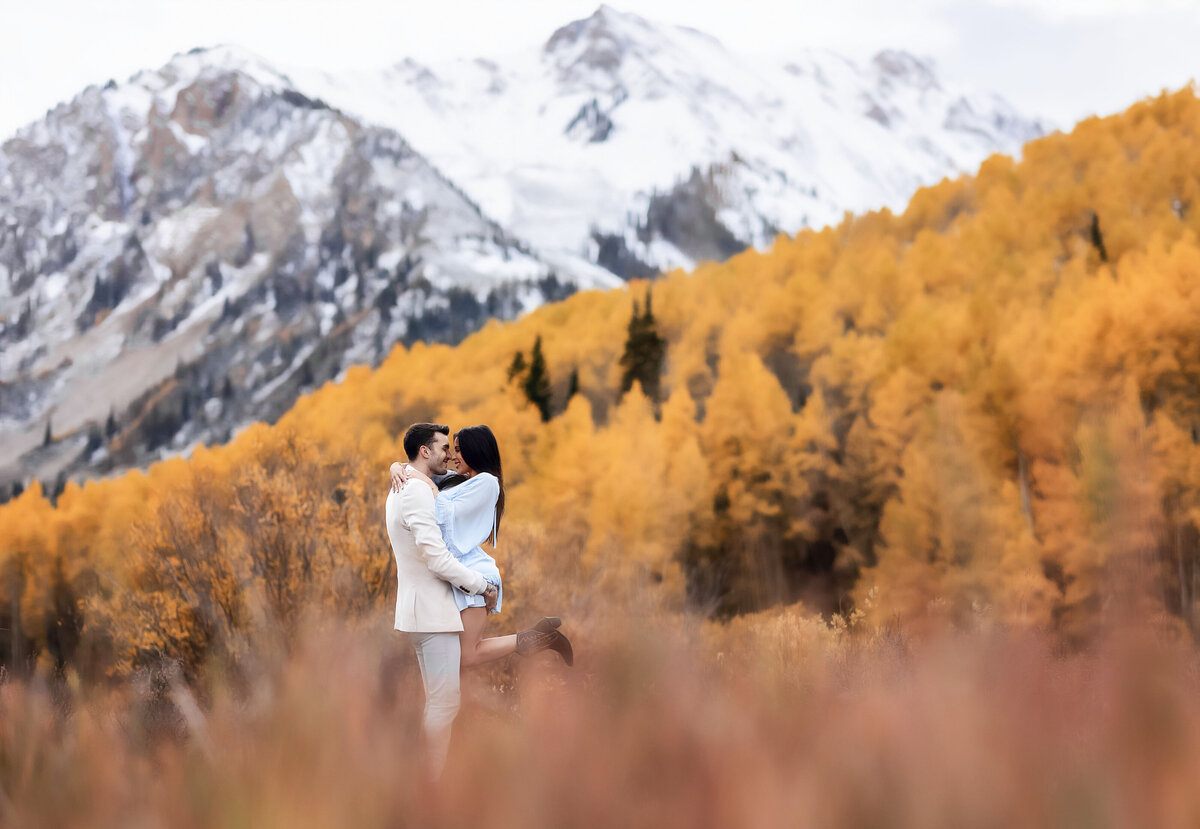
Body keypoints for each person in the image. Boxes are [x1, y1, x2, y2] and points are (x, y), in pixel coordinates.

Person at [390, 425, 573, 669]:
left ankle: (540, 638)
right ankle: (535, 637)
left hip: (475, 576)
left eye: (458, 451)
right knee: (458, 659)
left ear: (475, 451)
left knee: (467, 655)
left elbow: (442, 512)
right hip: (458, 575)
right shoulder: (459, 480)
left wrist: (426, 485)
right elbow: (418, 470)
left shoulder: (488, 483)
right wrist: (397, 467)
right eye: (452, 450)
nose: (453, 457)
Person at [386, 422, 499, 778]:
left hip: (418, 612)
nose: (449, 455)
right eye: (443, 447)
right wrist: (480, 585)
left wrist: (398, 466)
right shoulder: (415, 491)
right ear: (425, 451)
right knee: (444, 704)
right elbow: (436, 558)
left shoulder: (403, 485)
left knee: (439, 703)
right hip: (433, 615)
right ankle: (430, 785)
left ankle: (428, 779)